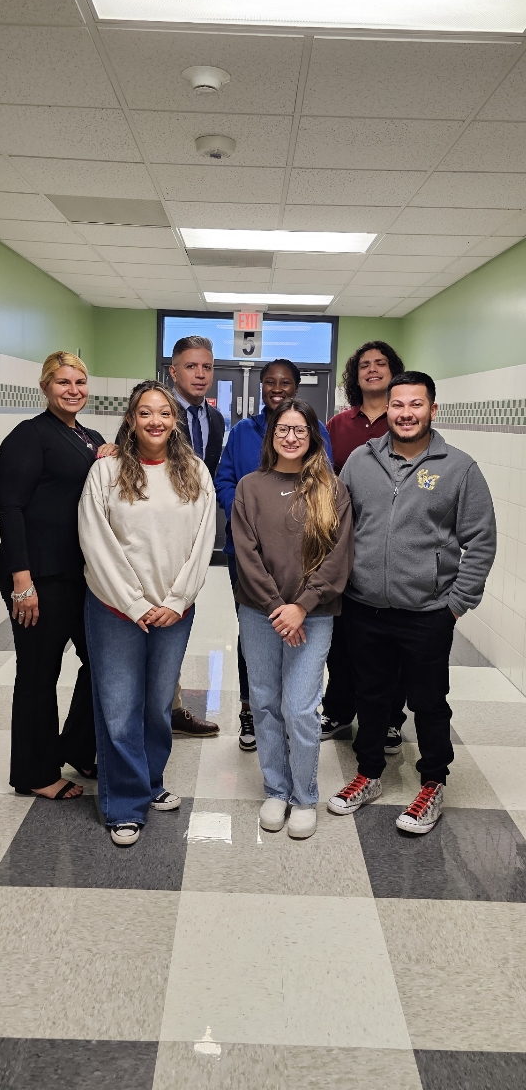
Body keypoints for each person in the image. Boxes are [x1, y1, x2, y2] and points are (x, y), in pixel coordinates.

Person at [328, 372, 496, 835]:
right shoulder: (361, 461)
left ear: (432, 410)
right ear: (388, 410)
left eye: (415, 405)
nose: (405, 413)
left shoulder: (458, 467)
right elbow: (339, 526)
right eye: (398, 405)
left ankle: (433, 780)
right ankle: (368, 774)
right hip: (364, 607)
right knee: (371, 695)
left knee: (428, 700)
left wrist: (457, 603)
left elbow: (480, 541)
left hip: (428, 612)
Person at [79, 380, 216, 846]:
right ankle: (124, 805)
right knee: (119, 711)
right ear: (131, 420)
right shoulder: (107, 471)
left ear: (174, 420)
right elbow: (96, 543)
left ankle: (150, 783)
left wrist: (176, 602)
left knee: (158, 707)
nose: (155, 421)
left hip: (173, 614)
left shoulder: (194, 472)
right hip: (115, 611)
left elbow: (202, 543)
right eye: (145, 413)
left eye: (163, 412)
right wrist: (134, 603)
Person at [232, 399, 353, 840]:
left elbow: (339, 555)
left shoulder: (331, 489)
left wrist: (301, 605)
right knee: (264, 703)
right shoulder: (250, 486)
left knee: (299, 708)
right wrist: (275, 607)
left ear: (313, 437)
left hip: (314, 615)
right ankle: (276, 789)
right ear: (271, 435)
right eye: (283, 429)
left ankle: (304, 796)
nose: (290, 437)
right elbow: (245, 553)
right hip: (260, 614)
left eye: (300, 430)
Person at [0, 351, 109, 800]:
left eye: (80, 381)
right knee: (39, 672)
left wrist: (109, 454)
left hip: (77, 573)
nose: (73, 390)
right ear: (45, 386)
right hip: (37, 575)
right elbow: (11, 508)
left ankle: (79, 746)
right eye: (63, 382)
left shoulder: (87, 435)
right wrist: (23, 582)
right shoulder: (28, 437)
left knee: (100, 662)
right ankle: (35, 773)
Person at [215, 359, 333, 752]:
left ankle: (291, 710)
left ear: (296, 388)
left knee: (295, 626)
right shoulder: (243, 432)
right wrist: (247, 515)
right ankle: (253, 710)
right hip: (246, 553)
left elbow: (324, 482)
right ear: (261, 387)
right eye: (270, 382)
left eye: (285, 383)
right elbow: (225, 479)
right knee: (254, 632)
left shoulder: (311, 430)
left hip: (299, 556)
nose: (276, 388)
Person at [322, 340, 407, 751]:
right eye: (364, 365)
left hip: (391, 547)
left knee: (391, 639)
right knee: (342, 635)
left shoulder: (404, 420)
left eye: (381, 364)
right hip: (342, 545)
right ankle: (338, 710)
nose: (372, 370)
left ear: (394, 372)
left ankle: (390, 718)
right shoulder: (338, 425)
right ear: (355, 376)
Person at [168, 335, 225, 738]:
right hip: (157, 535)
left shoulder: (215, 419)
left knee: (179, 615)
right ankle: (158, 707)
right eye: (191, 366)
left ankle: (168, 705)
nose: (200, 374)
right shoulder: (159, 410)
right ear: (174, 371)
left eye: (206, 367)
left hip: (194, 534)